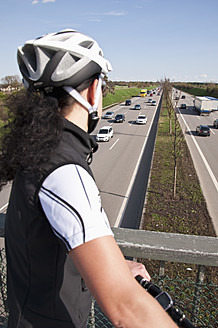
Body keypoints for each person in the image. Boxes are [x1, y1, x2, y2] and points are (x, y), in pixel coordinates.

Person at [0, 29, 177, 328]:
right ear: (94, 92)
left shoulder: (37, 153)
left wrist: (116, 266)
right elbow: (126, 308)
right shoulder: (64, 170)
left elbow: (54, 240)